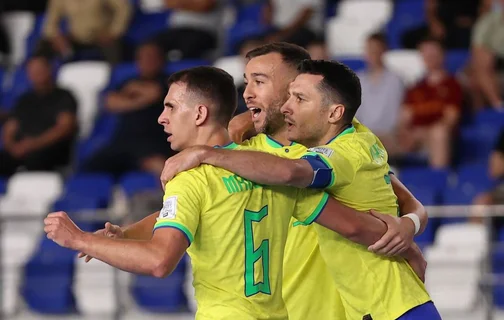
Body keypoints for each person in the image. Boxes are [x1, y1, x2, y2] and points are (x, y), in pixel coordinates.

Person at [44, 66, 419, 319]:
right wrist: (407, 226)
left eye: (170, 107)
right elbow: (356, 228)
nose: (161, 117)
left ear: (200, 114)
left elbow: (159, 261)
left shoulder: (190, 176)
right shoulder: (269, 167)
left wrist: (79, 239)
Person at [159, 44, 431, 319]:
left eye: (260, 82)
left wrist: (410, 225)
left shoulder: (333, 142)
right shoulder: (242, 155)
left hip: (351, 311)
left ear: (295, 87)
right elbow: (189, 209)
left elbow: (397, 196)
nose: (247, 93)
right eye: (247, 81)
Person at [80, 42, 174, 177]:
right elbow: (110, 102)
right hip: (122, 141)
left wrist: (129, 98)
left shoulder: (169, 81)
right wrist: (141, 100)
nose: (146, 62)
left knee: (164, 169)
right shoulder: (128, 81)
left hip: (151, 141)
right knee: (88, 167)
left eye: (151, 57)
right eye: (142, 58)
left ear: (161, 59)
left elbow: (155, 93)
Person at [0, 55, 78, 176]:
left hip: (49, 149)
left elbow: (64, 128)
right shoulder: (24, 100)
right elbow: (10, 128)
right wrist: (12, 146)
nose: (37, 74)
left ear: (49, 70)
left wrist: (33, 144)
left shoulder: (64, 96)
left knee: (35, 160)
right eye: (33, 71)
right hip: (22, 148)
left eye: (40, 70)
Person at [399, 37, 462, 169]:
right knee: (372, 139)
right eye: (426, 54)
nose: (430, 58)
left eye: (433, 54)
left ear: (442, 56)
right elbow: (404, 118)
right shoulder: (415, 88)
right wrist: (405, 132)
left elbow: (450, 119)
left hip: (439, 136)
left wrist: (422, 132)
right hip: (414, 137)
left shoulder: (452, 85)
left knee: (439, 133)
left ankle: (438, 180)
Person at [36, 0, 132, 65]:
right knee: (44, 44)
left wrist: (114, 32)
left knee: (114, 48)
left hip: (101, 37)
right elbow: (50, 24)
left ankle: (114, 83)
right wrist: (56, 37)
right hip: (75, 39)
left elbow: (124, 9)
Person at [356, 33, 404, 156]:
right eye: (369, 49)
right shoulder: (358, 79)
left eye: (375, 49)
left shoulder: (394, 80)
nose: (372, 53)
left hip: (388, 135)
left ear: (383, 51)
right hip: (363, 135)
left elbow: (396, 113)